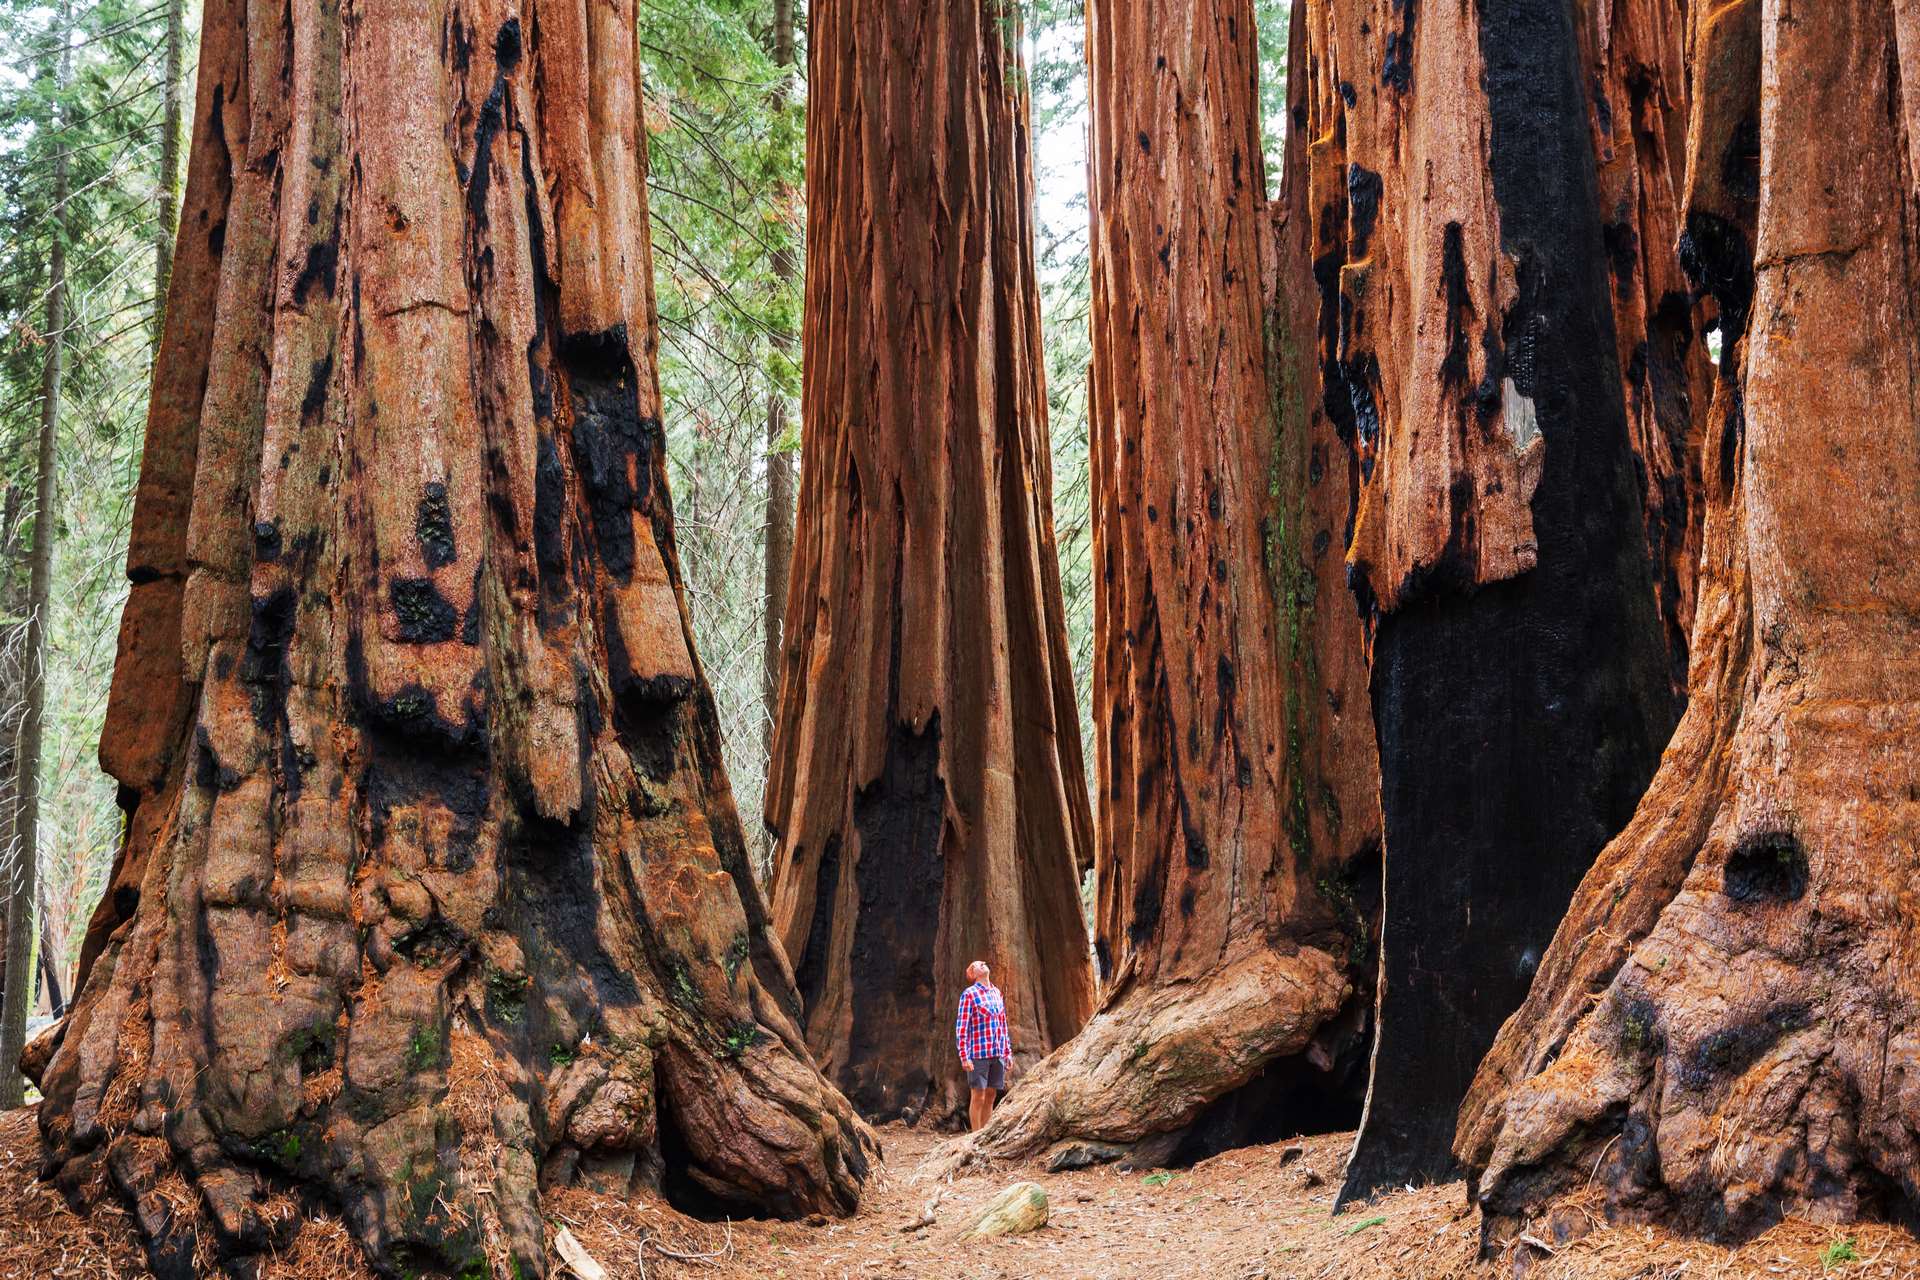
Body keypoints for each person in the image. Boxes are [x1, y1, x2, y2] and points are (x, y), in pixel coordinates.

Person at [955, 959, 1012, 1131]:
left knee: (991, 1094)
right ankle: (975, 1137)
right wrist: (964, 1056)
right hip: (978, 1054)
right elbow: (961, 1027)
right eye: (976, 964)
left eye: (983, 962)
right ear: (972, 974)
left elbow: (1003, 1025)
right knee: (978, 1095)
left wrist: (1007, 1052)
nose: (982, 963)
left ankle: (986, 1135)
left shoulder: (997, 993)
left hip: (997, 1052)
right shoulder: (969, 994)